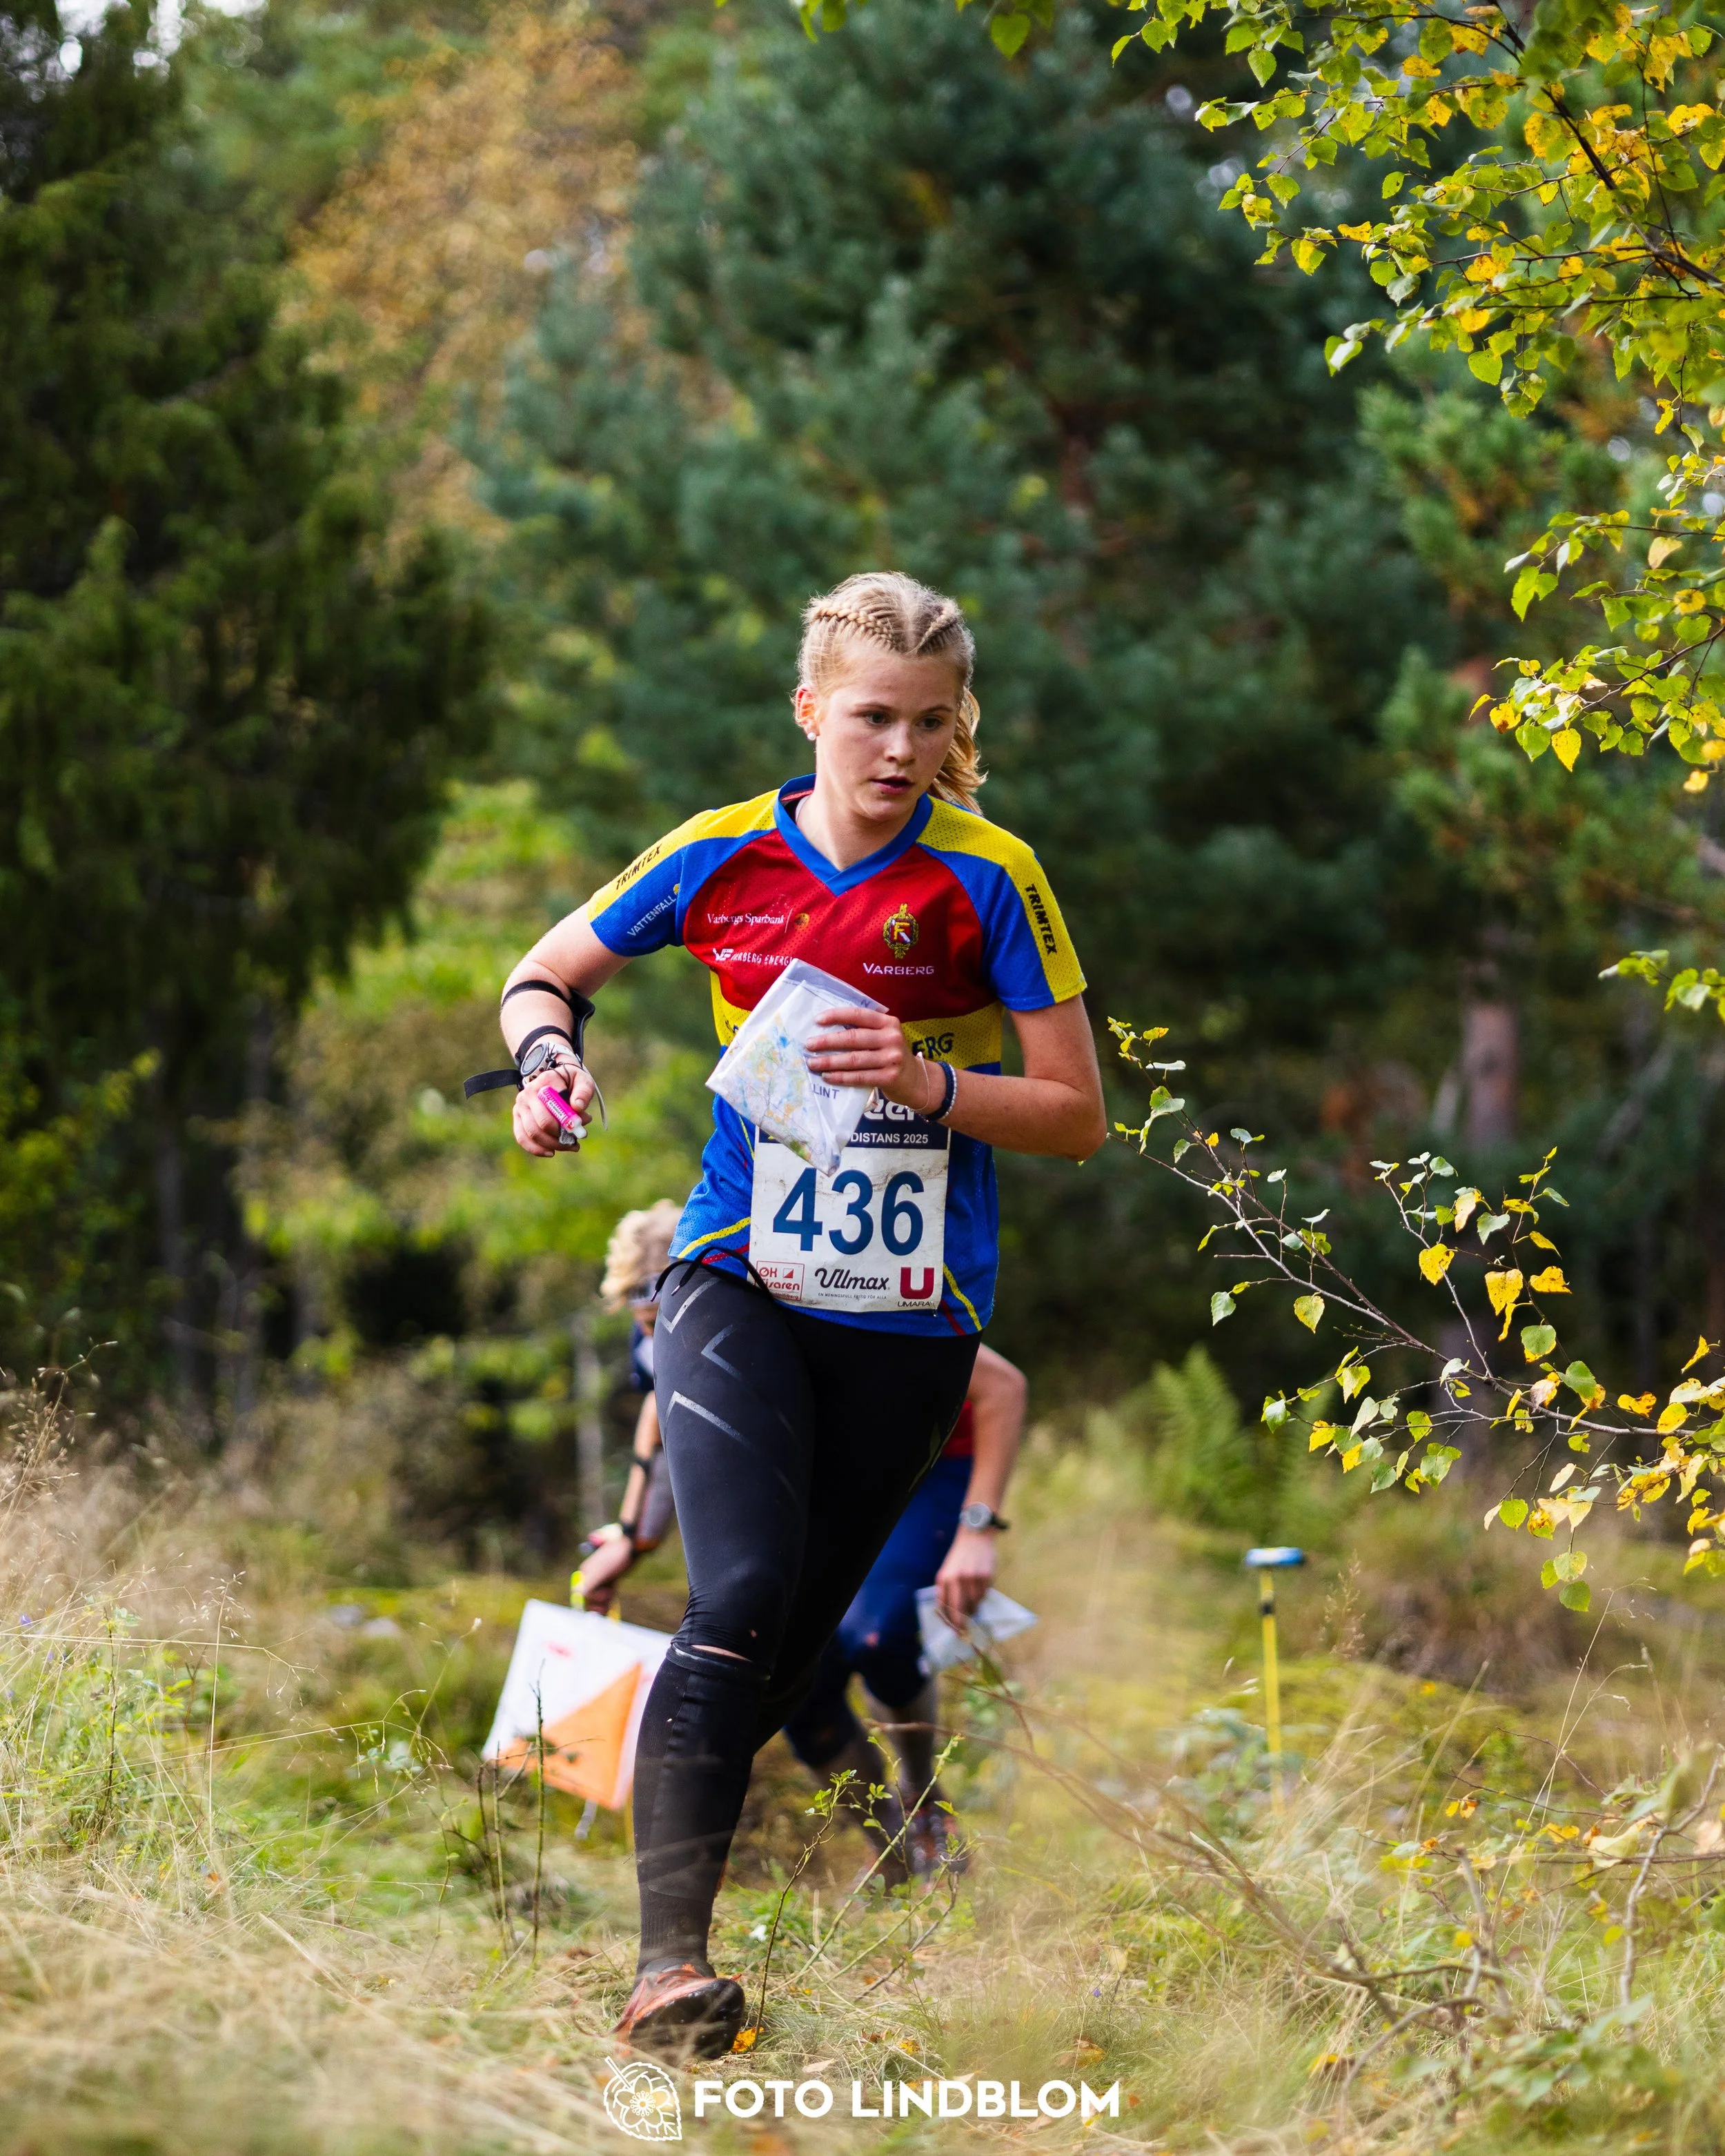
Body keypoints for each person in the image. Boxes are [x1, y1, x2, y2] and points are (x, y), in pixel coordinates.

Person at [497, 570, 1104, 2060]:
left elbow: (1078, 1113)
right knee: (736, 1591)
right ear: (808, 710)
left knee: (788, 1640)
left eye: (928, 721)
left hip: (910, 1316)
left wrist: (922, 1083)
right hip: (734, 1271)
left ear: (955, 726)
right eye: (868, 716)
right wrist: (543, 1068)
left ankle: (740, 1837)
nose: (895, 749)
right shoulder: (720, 854)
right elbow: (542, 972)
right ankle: (666, 1972)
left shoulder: (989, 876)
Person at [783, 1341, 1026, 1879]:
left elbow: (1003, 1387)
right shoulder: (682, 1330)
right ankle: (889, 1848)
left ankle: (925, 1807)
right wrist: (632, 1534)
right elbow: (658, 1426)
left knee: (880, 1635)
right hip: (821, 1479)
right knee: (794, 1675)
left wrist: (977, 1530)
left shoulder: (827, 1286)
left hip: (933, 1465)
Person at [575, 1202, 684, 1615]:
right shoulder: (643, 1341)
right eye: (641, 1322)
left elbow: (661, 1419)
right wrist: (629, 1536)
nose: (648, 1333)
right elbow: (657, 1419)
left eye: (656, 1322)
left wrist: (630, 1533)